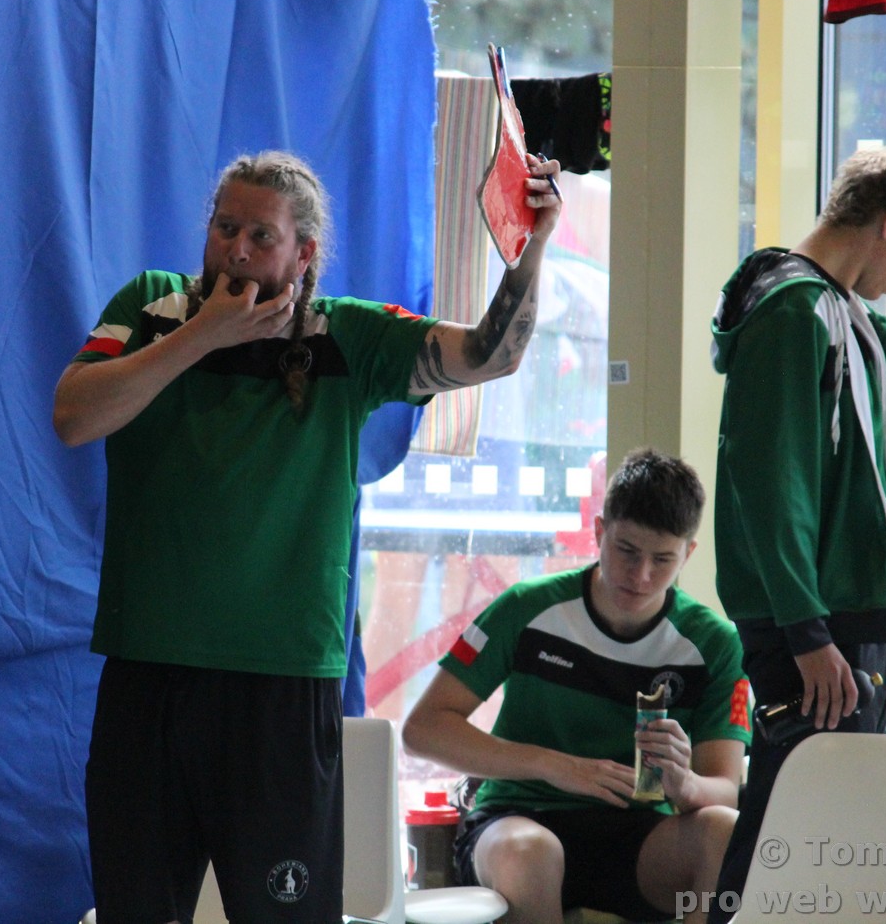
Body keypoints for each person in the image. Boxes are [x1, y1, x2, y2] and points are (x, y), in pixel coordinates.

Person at [53, 149, 563, 923]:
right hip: (149, 677)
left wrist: (531, 249)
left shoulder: (344, 335)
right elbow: (73, 415)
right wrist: (204, 336)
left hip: (282, 689)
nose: (237, 248)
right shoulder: (153, 306)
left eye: (261, 235)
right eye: (225, 227)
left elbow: (492, 354)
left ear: (303, 253)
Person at [706, 144, 886, 921]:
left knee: (820, 838)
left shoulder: (843, 315)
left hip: (846, 619)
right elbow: (773, 483)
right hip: (820, 626)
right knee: (789, 835)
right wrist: (806, 631)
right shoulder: (794, 312)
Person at [401, 449, 748, 924]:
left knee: (723, 830)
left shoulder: (715, 644)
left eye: (663, 559)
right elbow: (421, 729)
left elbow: (724, 790)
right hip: (517, 818)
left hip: (638, 834)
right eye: (627, 551)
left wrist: (685, 784)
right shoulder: (526, 607)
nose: (641, 575)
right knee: (532, 853)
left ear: (688, 554)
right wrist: (554, 766)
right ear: (600, 532)